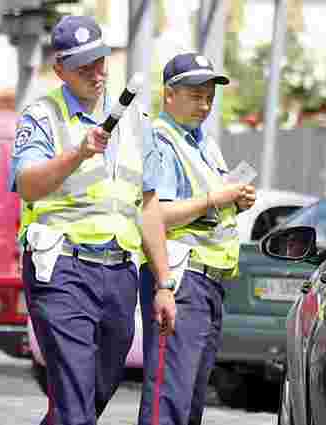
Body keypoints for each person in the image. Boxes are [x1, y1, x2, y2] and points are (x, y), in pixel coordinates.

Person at [11, 15, 175, 425]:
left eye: (100, 61)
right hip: (62, 269)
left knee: (96, 388)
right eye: (83, 65)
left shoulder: (137, 121)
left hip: (118, 273)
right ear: (60, 69)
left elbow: (149, 205)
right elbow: (27, 184)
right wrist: (77, 154)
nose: (96, 73)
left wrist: (164, 282)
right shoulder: (42, 115)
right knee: (74, 394)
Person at [137, 52, 256, 425]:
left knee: (189, 404)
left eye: (209, 97)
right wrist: (215, 198)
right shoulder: (159, 140)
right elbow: (155, 215)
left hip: (209, 284)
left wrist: (235, 203)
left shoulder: (204, 143)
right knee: (168, 400)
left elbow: (205, 212)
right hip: (180, 277)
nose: (204, 105)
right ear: (168, 95)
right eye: (195, 96)